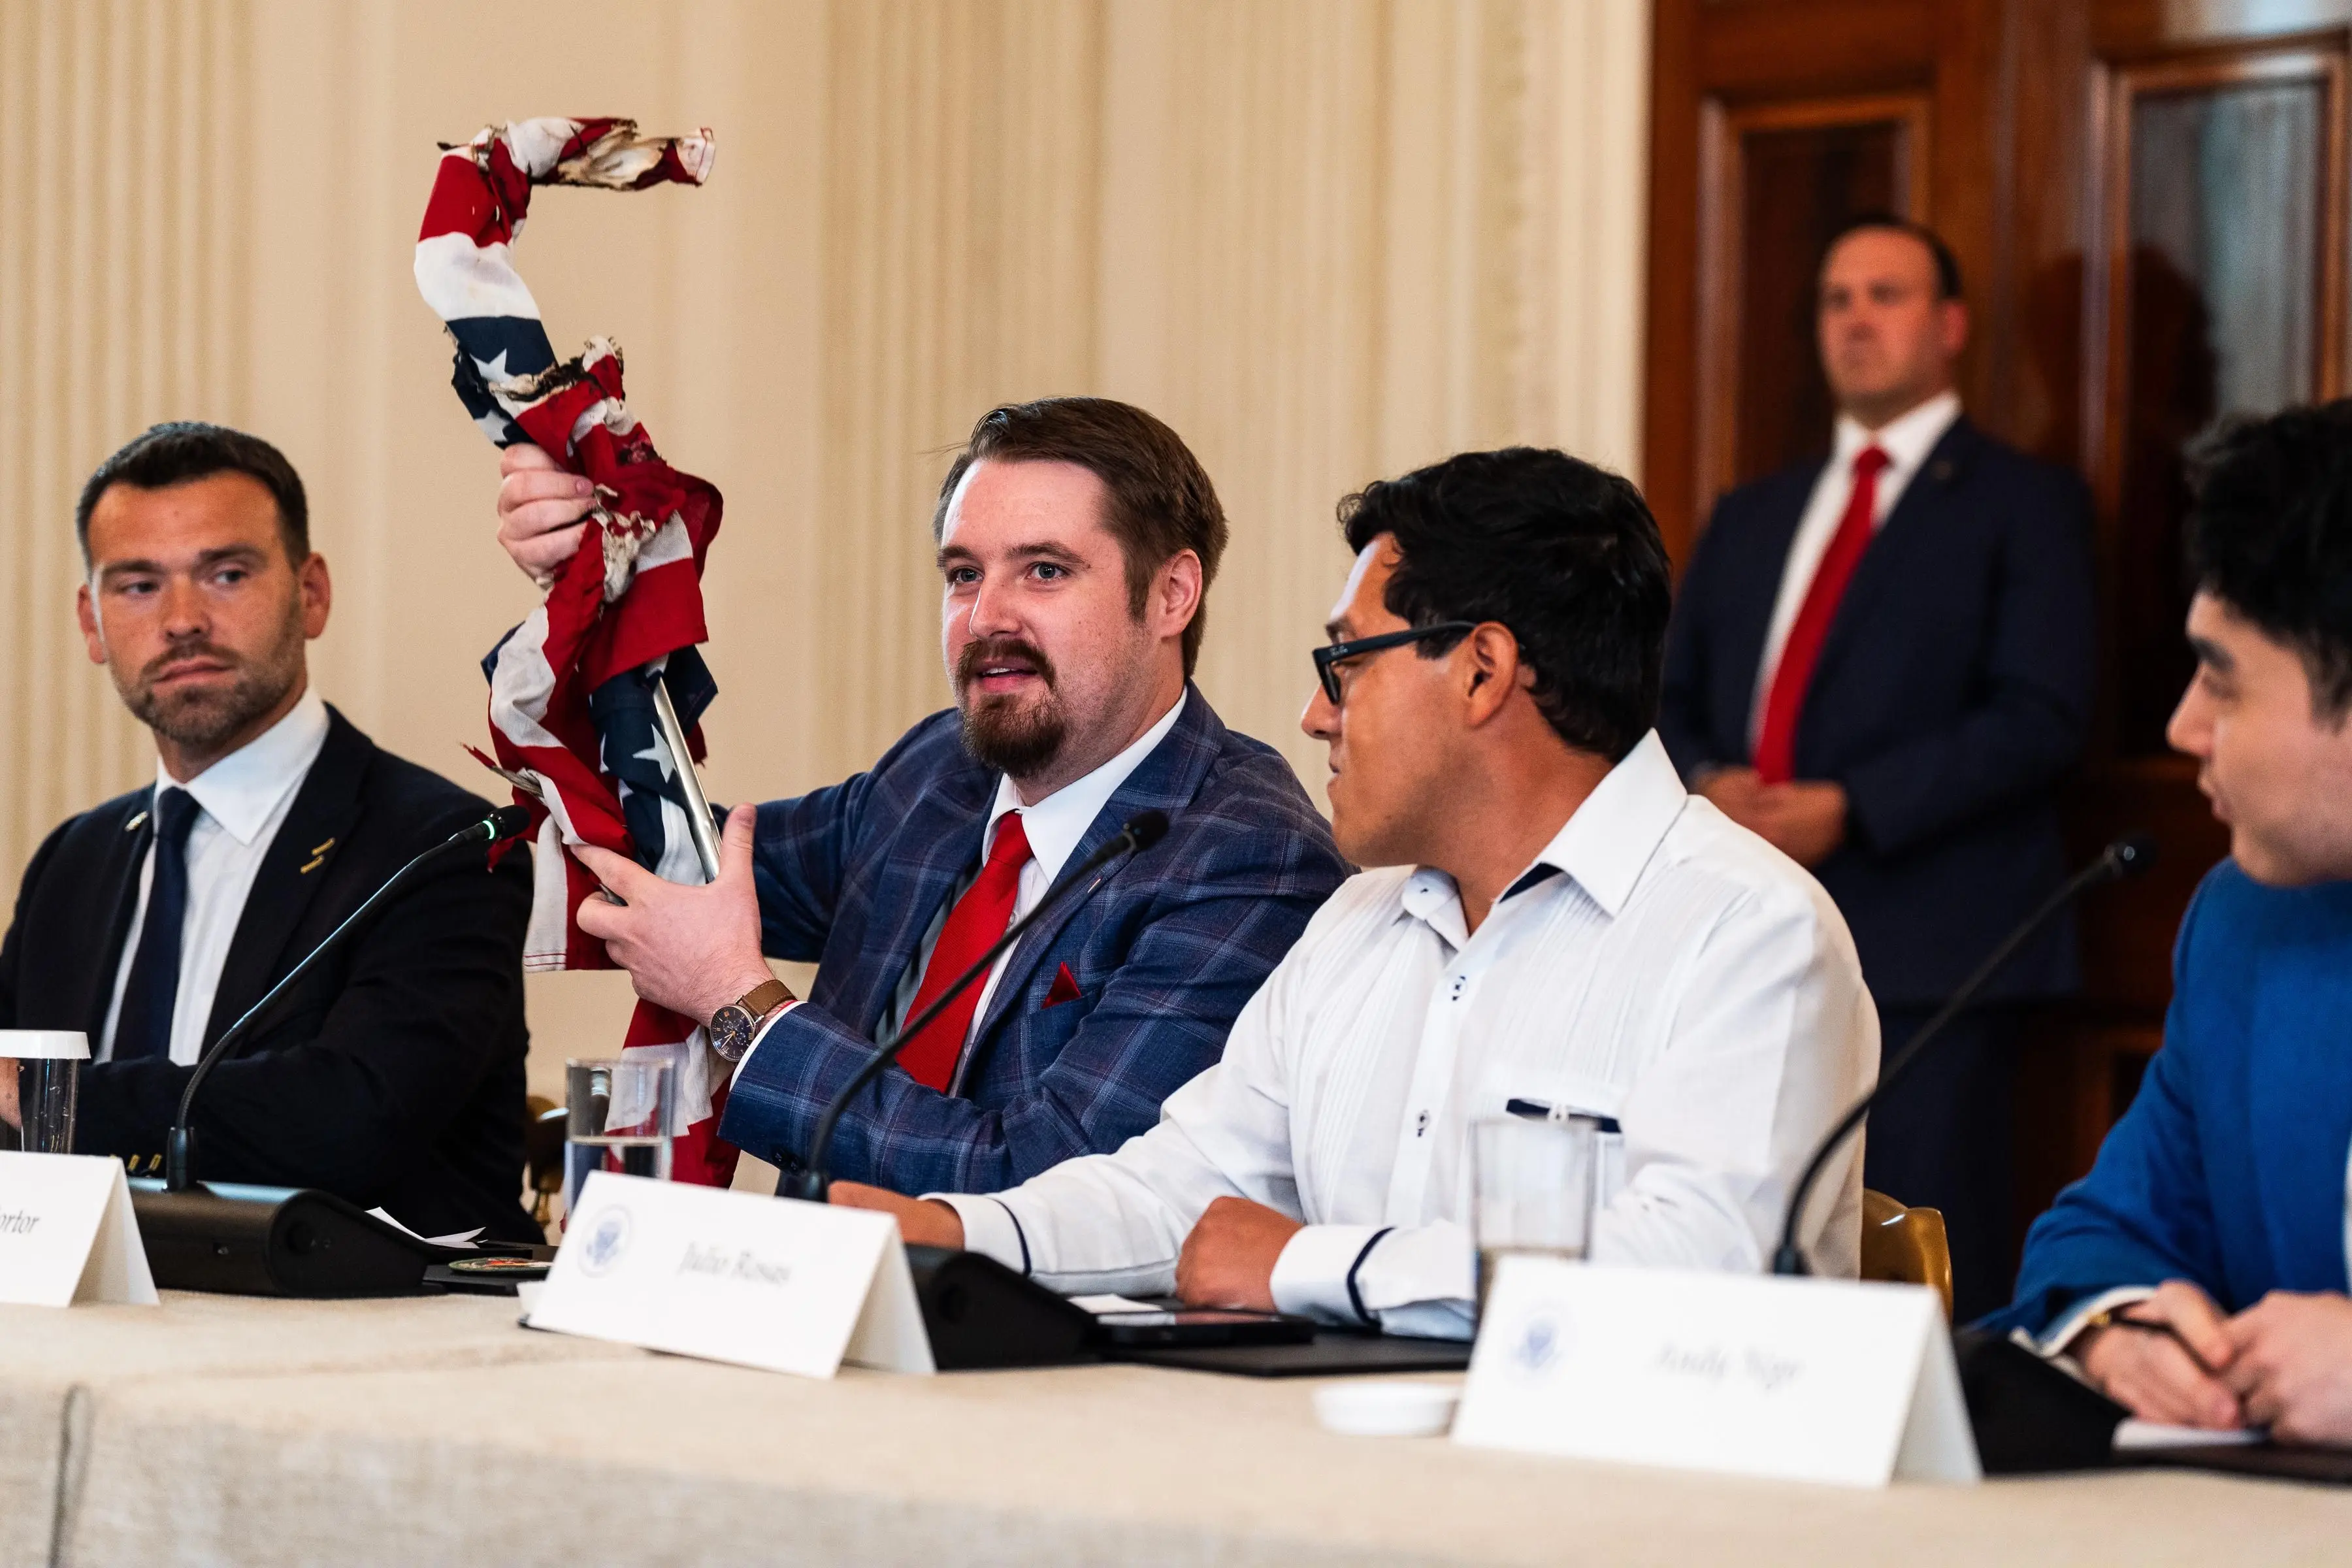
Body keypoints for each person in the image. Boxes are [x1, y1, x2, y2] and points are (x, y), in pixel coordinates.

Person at [832, 447, 1879, 1336]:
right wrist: (959, 1233)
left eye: (1347, 664)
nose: (1313, 715)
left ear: (1482, 672)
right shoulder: (1360, 922)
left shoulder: (1751, 933)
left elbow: (1702, 1272)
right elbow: (1182, 1187)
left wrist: (1306, 1267)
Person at [492, 397, 1348, 1194]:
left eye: (1044, 571)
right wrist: (597, 590)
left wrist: (740, 1006)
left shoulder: (1248, 857)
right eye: (964, 574)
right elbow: (680, 864)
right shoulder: (942, 771)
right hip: (800, 1312)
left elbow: (1055, 1183)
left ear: (1170, 595)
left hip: (1022, 1346)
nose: (985, 619)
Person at [1658, 215, 2097, 1318]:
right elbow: (1665, 696)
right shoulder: (1752, 512)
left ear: (1949, 326)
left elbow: (2042, 717)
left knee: (1923, 1261)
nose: (1855, 319)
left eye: (1885, 295)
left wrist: (1850, 809)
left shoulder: (2025, 504)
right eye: (1836, 299)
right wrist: (1709, 782)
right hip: (1739, 928)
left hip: (1937, 947)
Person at [0, 423, 536, 1241]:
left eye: (226, 574)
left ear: (310, 592)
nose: (182, 620)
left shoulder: (446, 844)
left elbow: (352, 1118)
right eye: (138, 586)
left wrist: (45, 1093)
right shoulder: (74, 861)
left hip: (364, 1344)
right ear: (91, 623)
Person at [1988, 402, 2352, 1445]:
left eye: (2224, 681)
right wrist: (2120, 1333)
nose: (2182, 726)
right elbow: (2099, 1235)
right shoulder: (2247, 925)